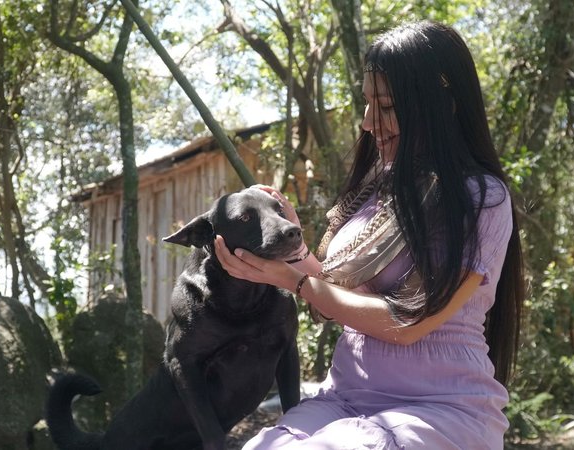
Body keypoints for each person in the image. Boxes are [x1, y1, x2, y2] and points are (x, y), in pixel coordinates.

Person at [213, 20, 524, 449]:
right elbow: (336, 293)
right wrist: (289, 251)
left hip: (441, 407)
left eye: (388, 106)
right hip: (346, 396)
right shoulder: (373, 188)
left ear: (445, 104)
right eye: (366, 103)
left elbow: (407, 323)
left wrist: (294, 282)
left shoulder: (481, 198)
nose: (367, 122)